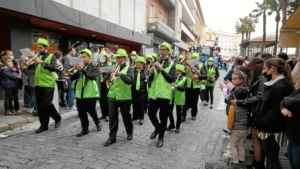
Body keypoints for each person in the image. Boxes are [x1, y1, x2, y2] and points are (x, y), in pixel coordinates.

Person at [255, 58, 294, 169]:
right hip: (269, 127)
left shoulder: (280, 86)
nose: (263, 71)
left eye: (264, 68)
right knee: (270, 158)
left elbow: (276, 110)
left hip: (271, 129)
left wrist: (262, 121)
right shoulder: (277, 84)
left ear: (272, 69)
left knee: (272, 159)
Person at [231, 58, 267, 169]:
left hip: (257, 112)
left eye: (251, 69)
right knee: (255, 140)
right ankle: (257, 162)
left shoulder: (262, 79)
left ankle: (258, 163)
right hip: (255, 111)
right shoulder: (259, 78)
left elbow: (259, 96)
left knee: (256, 140)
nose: (250, 71)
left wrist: (241, 102)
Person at [148, 42, 176, 147]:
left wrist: (161, 69)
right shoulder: (156, 62)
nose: (162, 51)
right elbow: (150, 79)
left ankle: (161, 137)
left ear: (168, 51)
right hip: (154, 94)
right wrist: (150, 73)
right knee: (150, 114)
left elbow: (171, 79)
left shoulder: (172, 64)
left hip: (164, 95)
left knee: (163, 117)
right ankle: (158, 128)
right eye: (161, 49)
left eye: (164, 49)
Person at [104, 48, 134, 146]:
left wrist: (121, 74)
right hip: (112, 96)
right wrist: (108, 74)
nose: (118, 59)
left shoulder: (129, 69)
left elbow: (130, 81)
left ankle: (129, 132)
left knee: (126, 116)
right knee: (113, 117)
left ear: (125, 58)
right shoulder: (112, 67)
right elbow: (105, 80)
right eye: (117, 57)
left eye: (120, 57)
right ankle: (112, 137)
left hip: (124, 97)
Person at [71, 48, 101, 137]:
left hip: (90, 93)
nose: (82, 58)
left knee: (92, 111)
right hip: (80, 93)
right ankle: (85, 129)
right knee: (81, 113)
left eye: (84, 57)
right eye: (81, 57)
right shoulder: (80, 66)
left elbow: (93, 76)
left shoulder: (95, 65)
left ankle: (97, 122)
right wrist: (76, 70)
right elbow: (71, 78)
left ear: (89, 57)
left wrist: (82, 69)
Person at [33, 38, 62, 133]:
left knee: (47, 104)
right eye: (38, 47)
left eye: (40, 47)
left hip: (48, 83)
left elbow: (54, 68)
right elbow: (29, 69)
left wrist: (41, 62)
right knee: (40, 106)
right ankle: (44, 125)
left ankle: (57, 117)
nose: (38, 49)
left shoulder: (51, 56)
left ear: (46, 48)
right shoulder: (37, 56)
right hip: (38, 83)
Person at [226, 87, 249, 169]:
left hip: (235, 129)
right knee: (241, 145)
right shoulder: (246, 105)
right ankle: (242, 161)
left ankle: (235, 161)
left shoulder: (233, 107)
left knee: (233, 145)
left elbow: (230, 120)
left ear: (234, 96)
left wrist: (229, 129)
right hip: (244, 129)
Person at [181, 52, 207, 122]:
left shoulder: (201, 65)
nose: (193, 59)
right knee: (185, 102)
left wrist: (198, 76)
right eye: (192, 58)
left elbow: (205, 76)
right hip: (187, 85)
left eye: (195, 58)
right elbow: (182, 73)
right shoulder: (186, 65)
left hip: (196, 87)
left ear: (197, 59)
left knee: (194, 102)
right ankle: (183, 116)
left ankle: (193, 114)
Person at [280, 90, 300, 169]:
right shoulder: (298, 91)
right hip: (292, 135)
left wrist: (285, 100)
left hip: (298, 137)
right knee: (293, 163)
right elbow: (283, 101)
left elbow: (293, 103)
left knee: (297, 163)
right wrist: (282, 108)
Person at [167, 64, 187, 133]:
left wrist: (176, 86)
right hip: (172, 96)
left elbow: (185, 88)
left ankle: (178, 126)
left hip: (179, 97)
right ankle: (172, 124)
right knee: (169, 111)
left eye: (178, 71)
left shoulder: (184, 79)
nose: (176, 72)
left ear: (181, 72)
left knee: (178, 113)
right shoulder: (173, 77)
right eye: (176, 70)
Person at [131, 56, 148, 125]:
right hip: (134, 89)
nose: (136, 64)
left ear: (142, 64)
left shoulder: (145, 71)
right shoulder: (133, 70)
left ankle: (141, 118)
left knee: (141, 104)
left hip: (142, 90)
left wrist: (146, 77)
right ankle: (135, 116)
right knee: (134, 103)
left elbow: (147, 78)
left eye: (138, 62)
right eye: (136, 62)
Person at [98, 50, 111, 122]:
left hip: (106, 84)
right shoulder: (98, 65)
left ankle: (108, 115)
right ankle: (103, 114)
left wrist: (103, 72)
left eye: (104, 57)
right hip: (100, 84)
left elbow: (110, 74)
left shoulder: (108, 65)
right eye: (101, 57)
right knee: (101, 100)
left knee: (106, 100)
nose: (103, 58)